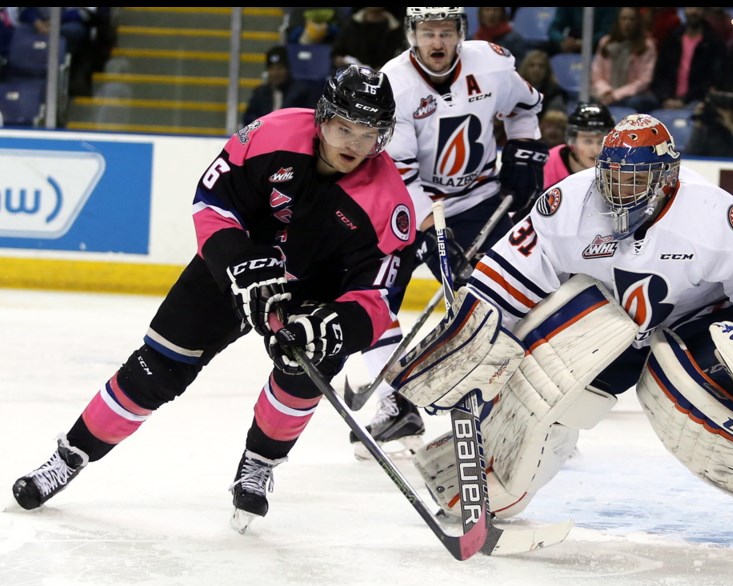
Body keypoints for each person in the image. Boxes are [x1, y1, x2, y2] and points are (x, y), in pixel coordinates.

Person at [389, 112, 733, 560]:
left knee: (687, 396)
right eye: (612, 175)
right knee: (547, 362)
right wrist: (469, 349)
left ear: (667, 177)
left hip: (694, 328)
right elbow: (498, 288)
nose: (618, 189)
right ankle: (486, 476)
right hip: (603, 326)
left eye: (634, 178)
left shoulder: (716, 217)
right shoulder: (567, 205)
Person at [11, 64, 417, 535]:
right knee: (155, 369)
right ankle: (70, 455)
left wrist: (332, 328)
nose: (353, 143)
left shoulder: (389, 202)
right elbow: (212, 203)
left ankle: (259, 463)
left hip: (316, 294)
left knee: (302, 377)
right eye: (344, 127)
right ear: (322, 116)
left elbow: (378, 297)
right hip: (234, 267)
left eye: (368, 134)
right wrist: (236, 263)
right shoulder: (272, 134)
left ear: (383, 138)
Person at [349, 6, 547, 460]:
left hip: (478, 201)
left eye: (445, 32)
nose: (436, 43)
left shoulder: (493, 64)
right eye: (426, 33)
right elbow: (401, 177)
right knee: (369, 298)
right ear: (411, 35)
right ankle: (395, 405)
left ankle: (524, 410)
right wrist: (432, 235)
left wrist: (524, 147)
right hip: (403, 207)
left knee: (502, 303)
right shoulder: (392, 84)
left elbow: (526, 107)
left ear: (461, 33)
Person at [650, 6, 729, 110]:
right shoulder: (672, 38)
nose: (693, 11)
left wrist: (684, 100)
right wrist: (666, 98)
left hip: (696, 100)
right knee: (638, 104)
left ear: (704, 11)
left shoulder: (713, 43)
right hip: (666, 98)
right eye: (690, 8)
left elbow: (712, 80)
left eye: (698, 8)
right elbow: (659, 75)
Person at [590, 7, 659, 114]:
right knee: (588, 100)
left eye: (632, 19)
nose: (628, 23)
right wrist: (606, 91)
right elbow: (597, 75)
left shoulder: (647, 46)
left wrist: (616, 95)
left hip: (633, 95)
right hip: (606, 92)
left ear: (638, 22)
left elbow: (644, 80)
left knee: (636, 103)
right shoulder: (605, 42)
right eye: (624, 19)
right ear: (618, 21)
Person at [543, 101, 614, 188]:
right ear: (572, 141)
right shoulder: (548, 162)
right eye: (588, 141)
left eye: (601, 142)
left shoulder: (617, 165)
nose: (596, 150)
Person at [242, 45, 317, 126]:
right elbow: (248, 118)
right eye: (272, 68)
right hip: (265, 134)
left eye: (279, 68)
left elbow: (308, 118)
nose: (275, 73)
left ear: (287, 70)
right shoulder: (260, 93)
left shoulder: (301, 92)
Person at [330, 7, 406, 71]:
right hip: (353, 80)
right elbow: (336, 55)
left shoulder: (397, 29)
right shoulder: (350, 25)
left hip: (386, 80)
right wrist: (345, 63)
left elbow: (402, 58)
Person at [546, 7, 619, 56]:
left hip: (597, 46)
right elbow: (554, 28)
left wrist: (583, 43)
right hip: (572, 44)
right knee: (540, 47)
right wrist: (562, 40)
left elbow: (606, 32)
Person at [518, 48, 569, 114]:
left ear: (547, 70)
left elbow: (554, 119)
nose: (536, 70)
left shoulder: (554, 93)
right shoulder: (516, 90)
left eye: (541, 66)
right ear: (524, 68)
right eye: (532, 65)